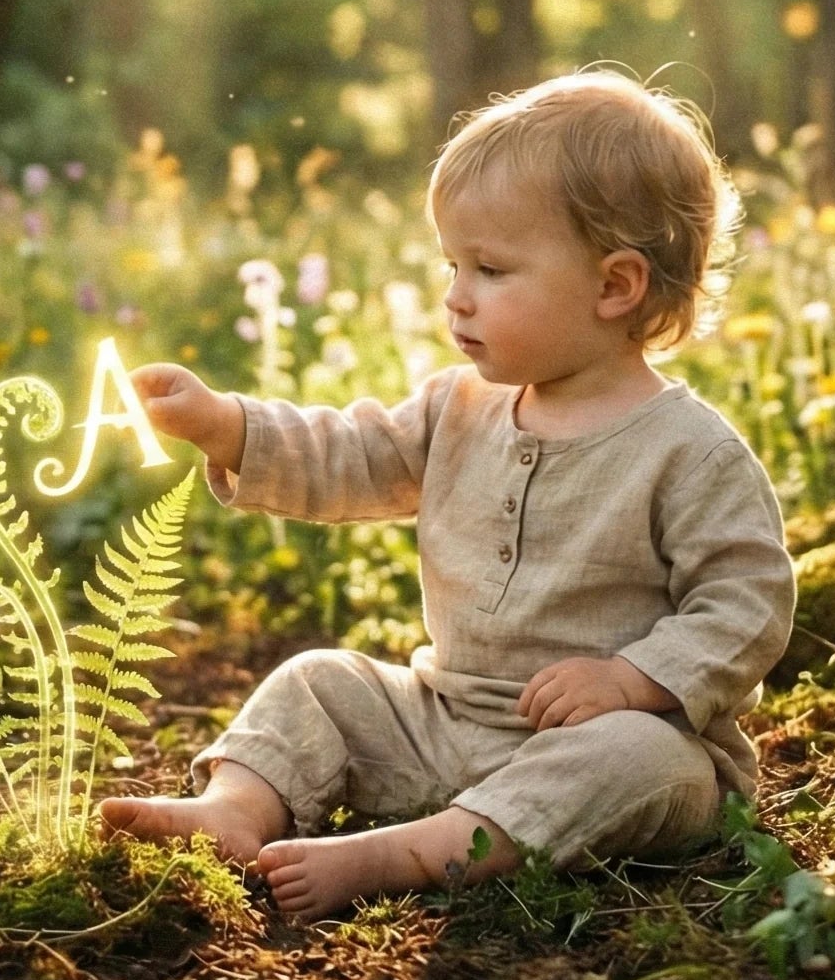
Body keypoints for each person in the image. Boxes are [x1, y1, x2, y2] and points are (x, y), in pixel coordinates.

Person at [101, 72, 797, 917]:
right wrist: (227, 426)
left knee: (648, 763)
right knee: (320, 678)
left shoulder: (689, 450)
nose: (455, 295)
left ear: (616, 286)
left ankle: (404, 855)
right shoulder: (456, 407)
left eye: (492, 269)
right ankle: (235, 812)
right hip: (445, 720)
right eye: (453, 265)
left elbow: (747, 602)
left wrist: (635, 681)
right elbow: (353, 456)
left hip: (600, 744)